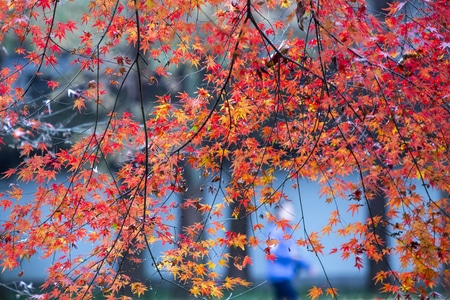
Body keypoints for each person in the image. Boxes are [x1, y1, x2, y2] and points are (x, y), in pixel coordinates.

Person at [267, 203, 311, 300]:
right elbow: (271, 252)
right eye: (288, 211)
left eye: (292, 211)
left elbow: (294, 251)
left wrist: (306, 265)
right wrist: (290, 256)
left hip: (286, 273)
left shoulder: (287, 231)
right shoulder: (274, 231)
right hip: (278, 274)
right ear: (279, 213)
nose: (291, 214)